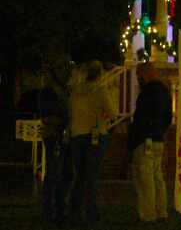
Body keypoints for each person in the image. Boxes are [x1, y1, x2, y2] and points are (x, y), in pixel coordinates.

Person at [68, 60, 117, 226]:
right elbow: (112, 113)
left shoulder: (75, 91)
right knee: (91, 177)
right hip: (95, 136)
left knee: (80, 175)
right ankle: (91, 212)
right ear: (100, 73)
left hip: (76, 135)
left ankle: (74, 210)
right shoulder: (101, 91)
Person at [128, 63, 173, 223]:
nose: (138, 79)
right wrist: (160, 131)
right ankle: (161, 211)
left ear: (144, 75)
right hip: (158, 138)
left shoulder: (147, 93)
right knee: (157, 177)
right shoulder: (165, 91)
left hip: (145, 139)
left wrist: (136, 134)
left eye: (138, 76)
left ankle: (148, 214)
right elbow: (168, 117)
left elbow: (141, 117)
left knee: (145, 178)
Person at [38, 57, 73, 224]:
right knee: (54, 173)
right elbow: (46, 116)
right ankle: (50, 210)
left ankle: (59, 207)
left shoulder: (64, 89)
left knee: (65, 173)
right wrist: (62, 120)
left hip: (63, 136)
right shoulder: (48, 91)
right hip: (54, 136)